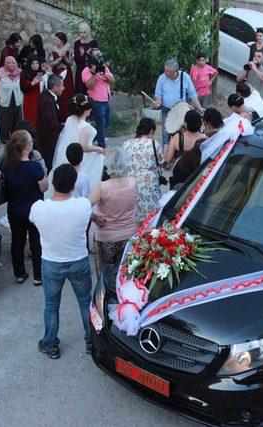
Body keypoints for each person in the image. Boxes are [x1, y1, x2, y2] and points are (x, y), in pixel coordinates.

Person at [29, 163, 93, 359]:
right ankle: (91, 341)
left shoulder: (39, 208)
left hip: (51, 262)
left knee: (51, 305)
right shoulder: (83, 205)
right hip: (78, 260)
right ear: (74, 184)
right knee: (85, 303)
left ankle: (50, 344)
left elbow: (32, 220)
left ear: (53, 183)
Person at [3, 130, 46, 286]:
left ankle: (20, 274)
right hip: (33, 210)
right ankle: (38, 276)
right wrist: (45, 172)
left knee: (17, 241)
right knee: (36, 242)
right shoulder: (35, 167)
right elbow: (43, 188)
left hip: (14, 209)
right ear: (27, 147)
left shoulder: (7, 166)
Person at [89, 147, 138, 276]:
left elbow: (83, 208)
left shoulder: (102, 187)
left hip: (106, 237)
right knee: (128, 275)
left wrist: (94, 218)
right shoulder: (133, 183)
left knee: (106, 276)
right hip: (129, 235)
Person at [46, 93, 104, 198]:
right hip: (81, 156)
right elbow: (83, 147)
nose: (91, 110)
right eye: (90, 108)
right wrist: (98, 148)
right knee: (99, 158)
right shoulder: (86, 127)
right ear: (86, 110)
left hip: (69, 153)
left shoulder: (70, 119)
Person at [153, 59, 204, 146]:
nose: (165, 72)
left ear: (175, 71)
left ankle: (180, 149)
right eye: (165, 70)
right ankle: (167, 152)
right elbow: (158, 94)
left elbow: (192, 94)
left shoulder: (185, 77)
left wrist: (199, 107)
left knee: (183, 133)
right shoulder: (162, 78)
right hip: (166, 109)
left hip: (181, 110)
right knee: (166, 133)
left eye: (167, 71)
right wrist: (158, 102)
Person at [122, 118, 164, 222]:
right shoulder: (154, 144)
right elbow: (162, 162)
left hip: (130, 181)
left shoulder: (126, 144)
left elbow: (122, 163)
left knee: (134, 214)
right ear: (151, 131)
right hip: (149, 182)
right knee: (151, 216)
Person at [81, 48, 115, 148]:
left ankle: (91, 139)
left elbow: (113, 81)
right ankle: (102, 147)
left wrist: (105, 74)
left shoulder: (104, 67)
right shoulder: (86, 70)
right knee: (100, 126)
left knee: (107, 122)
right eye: (96, 55)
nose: (98, 57)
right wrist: (95, 74)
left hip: (106, 100)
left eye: (99, 55)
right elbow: (88, 86)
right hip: (96, 101)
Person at [167, 110, 204, 189]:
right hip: (196, 174)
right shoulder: (204, 139)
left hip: (179, 172)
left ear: (185, 124)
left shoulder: (177, 137)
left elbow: (168, 159)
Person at [36, 73, 65, 170]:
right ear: (55, 87)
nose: (63, 88)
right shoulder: (46, 100)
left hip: (51, 139)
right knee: (50, 165)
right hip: (47, 141)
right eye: (62, 85)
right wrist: (64, 127)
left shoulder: (50, 97)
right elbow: (48, 122)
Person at [0, 56, 23, 143]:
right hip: (4, 99)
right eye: (8, 63)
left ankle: (16, 137)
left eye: (13, 62)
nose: (11, 65)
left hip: (16, 99)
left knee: (17, 118)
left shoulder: (20, 73)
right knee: (4, 119)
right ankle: (5, 137)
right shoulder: (0, 72)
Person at [49, 32, 74, 121]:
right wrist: (59, 59)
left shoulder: (68, 49)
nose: (55, 41)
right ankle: (59, 116)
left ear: (62, 41)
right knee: (58, 93)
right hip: (56, 72)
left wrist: (65, 58)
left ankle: (68, 117)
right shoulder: (53, 50)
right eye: (55, 40)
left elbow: (71, 63)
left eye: (57, 40)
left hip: (67, 74)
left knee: (67, 93)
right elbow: (51, 63)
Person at [74, 22, 99, 95]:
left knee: (89, 92)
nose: (82, 35)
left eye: (84, 32)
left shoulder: (93, 42)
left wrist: (84, 54)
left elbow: (96, 57)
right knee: (79, 91)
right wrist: (82, 55)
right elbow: (76, 58)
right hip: (80, 70)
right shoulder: (77, 43)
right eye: (80, 32)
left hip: (89, 70)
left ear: (88, 32)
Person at [20, 55, 45, 127]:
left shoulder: (42, 73)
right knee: (30, 120)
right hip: (29, 101)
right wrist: (32, 83)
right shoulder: (24, 74)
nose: (35, 66)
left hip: (40, 101)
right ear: (29, 64)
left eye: (37, 63)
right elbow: (23, 89)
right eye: (33, 64)